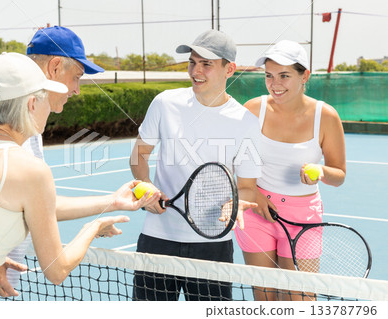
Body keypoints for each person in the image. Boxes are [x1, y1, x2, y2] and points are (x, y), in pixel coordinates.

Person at [0, 26, 160, 298]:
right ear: (32, 102)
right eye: (77, 78)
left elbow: (34, 203)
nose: (77, 90)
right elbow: (56, 269)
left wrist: (112, 201)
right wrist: (93, 227)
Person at [129, 29, 261, 301]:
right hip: (157, 240)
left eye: (207, 64)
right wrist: (146, 189)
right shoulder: (165, 103)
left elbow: (247, 186)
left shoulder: (246, 122)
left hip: (213, 249)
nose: (195, 70)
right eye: (192, 61)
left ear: (229, 69)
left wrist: (233, 205)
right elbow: (138, 155)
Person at [234, 40, 346, 301]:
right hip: (256, 211)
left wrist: (321, 171)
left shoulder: (326, 116)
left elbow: (339, 174)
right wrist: (250, 192)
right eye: (269, 76)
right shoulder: (252, 109)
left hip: (303, 218)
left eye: (284, 75)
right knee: (265, 299)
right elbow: (234, 160)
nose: (275, 84)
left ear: (304, 75)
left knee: (301, 301)